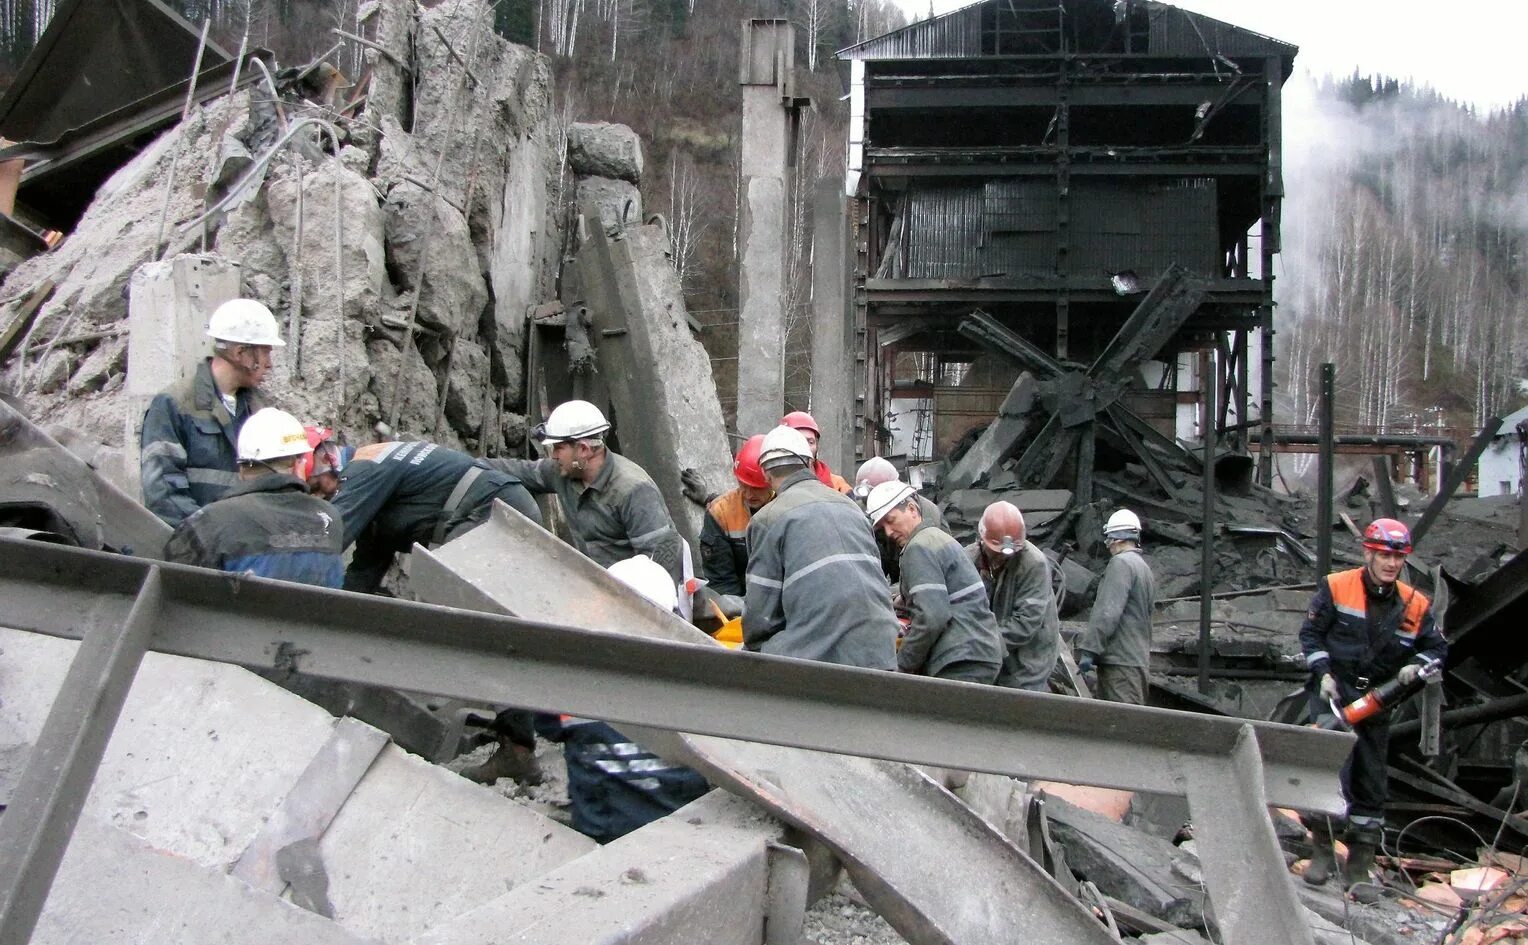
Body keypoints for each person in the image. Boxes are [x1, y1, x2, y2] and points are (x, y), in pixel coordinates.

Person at [1298, 518, 1445, 900]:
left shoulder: (1415, 604)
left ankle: (1359, 865)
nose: (1391, 563)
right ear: (1368, 553)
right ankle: (1322, 853)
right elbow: (1311, 634)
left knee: (1369, 779)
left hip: (1378, 699)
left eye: (1397, 556)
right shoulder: (1337, 586)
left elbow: (1438, 649)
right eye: (1384, 555)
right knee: (1329, 774)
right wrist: (1322, 671)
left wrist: (1421, 662)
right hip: (1334, 695)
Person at [536, 555, 711, 843]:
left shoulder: (569, 682)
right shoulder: (698, 685)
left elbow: (547, 726)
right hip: (682, 836)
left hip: (602, 837)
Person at [742, 425, 899, 669]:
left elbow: (760, 620)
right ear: (809, 462)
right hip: (882, 649)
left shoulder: (767, 519)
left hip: (821, 658)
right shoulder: (853, 508)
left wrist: (754, 653)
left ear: (765, 473)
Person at [312, 435, 542, 594]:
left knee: (454, 600)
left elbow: (328, 540)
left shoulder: (364, 468)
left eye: (314, 486)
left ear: (327, 459)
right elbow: (364, 572)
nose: (319, 496)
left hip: (495, 510)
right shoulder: (373, 492)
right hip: (501, 504)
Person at [485, 400, 683, 583]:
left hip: (637, 596)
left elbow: (661, 566)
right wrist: (466, 466)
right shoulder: (563, 472)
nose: (553, 455)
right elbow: (519, 471)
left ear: (584, 450)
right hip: (593, 589)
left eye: (559, 448)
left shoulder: (634, 491)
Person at [141, 298, 283, 526]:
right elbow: (163, 494)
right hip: (194, 550)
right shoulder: (174, 405)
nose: (269, 364)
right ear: (240, 353)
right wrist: (211, 536)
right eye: (265, 352)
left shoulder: (260, 412)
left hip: (246, 549)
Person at [164, 407, 343, 586]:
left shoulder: (212, 521)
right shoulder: (330, 518)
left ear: (241, 468)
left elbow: (174, 590)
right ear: (297, 464)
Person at [867, 481, 1003, 684]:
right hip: (979, 651)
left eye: (891, 520)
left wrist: (903, 664)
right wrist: (904, 599)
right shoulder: (938, 538)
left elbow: (932, 616)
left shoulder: (918, 547)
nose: (888, 532)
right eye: (882, 527)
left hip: (959, 657)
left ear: (912, 509)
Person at [967, 501, 1060, 692]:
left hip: (1027, 662)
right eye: (996, 551)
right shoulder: (969, 558)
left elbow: (1026, 623)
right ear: (982, 539)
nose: (1002, 557)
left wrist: (980, 643)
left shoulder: (1033, 565)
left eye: (1007, 552)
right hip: (991, 651)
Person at [1075, 508, 1156, 705]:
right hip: (1136, 660)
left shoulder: (1120, 564)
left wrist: (1090, 650)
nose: (1107, 544)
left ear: (1117, 539)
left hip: (1119, 664)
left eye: (1109, 539)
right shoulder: (1143, 567)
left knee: (1122, 725)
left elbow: (1107, 612)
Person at [698, 434, 771, 597]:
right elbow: (721, 581)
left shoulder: (789, 509)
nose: (749, 494)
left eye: (757, 488)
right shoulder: (721, 513)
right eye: (743, 485)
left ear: (772, 481)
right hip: (739, 601)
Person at [852, 455, 944, 581]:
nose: (888, 531)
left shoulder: (927, 513)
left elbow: (929, 572)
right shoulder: (862, 510)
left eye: (890, 520)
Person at [780, 410, 851, 494]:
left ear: (816, 445)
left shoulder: (837, 485)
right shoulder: (771, 485)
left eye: (810, 442)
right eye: (798, 441)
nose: (805, 447)